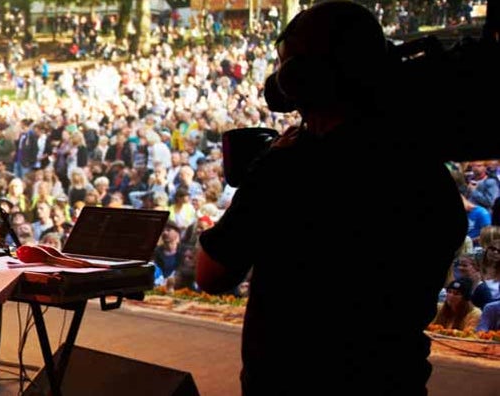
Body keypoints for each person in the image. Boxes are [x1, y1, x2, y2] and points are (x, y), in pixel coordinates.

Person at [195, 2, 466, 394]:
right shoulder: (426, 171)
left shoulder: (284, 173)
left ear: (297, 81)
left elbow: (211, 275)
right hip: (393, 381)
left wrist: (261, 174)